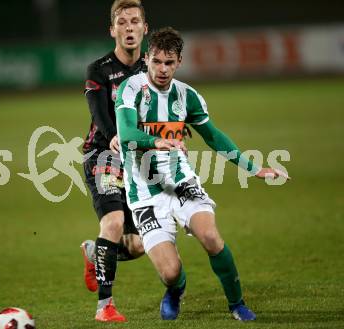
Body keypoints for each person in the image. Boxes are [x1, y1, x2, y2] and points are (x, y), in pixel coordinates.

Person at [115, 27, 289, 321]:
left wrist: (254, 168)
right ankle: (175, 288)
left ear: (179, 62)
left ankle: (237, 304)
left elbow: (214, 136)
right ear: (147, 58)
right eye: (156, 61)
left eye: (169, 63)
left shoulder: (187, 96)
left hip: (181, 181)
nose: (162, 69)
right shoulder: (130, 89)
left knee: (210, 236)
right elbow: (127, 132)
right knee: (170, 272)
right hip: (144, 192)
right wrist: (156, 140)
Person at [80, 0, 148, 323]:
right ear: (112, 30)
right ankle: (104, 307)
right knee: (114, 223)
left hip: (138, 160)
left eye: (135, 21)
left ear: (144, 28)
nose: (129, 27)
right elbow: (100, 116)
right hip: (103, 154)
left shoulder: (152, 69)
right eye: (122, 22)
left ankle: (96, 252)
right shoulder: (99, 70)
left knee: (138, 245)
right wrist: (114, 139)